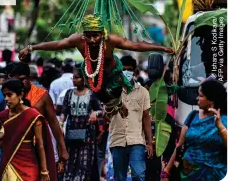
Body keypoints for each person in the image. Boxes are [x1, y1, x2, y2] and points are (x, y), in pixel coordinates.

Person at [19, 14, 173, 117]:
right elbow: (57, 44)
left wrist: (162, 48)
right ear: (84, 34)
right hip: (93, 78)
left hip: (114, 76)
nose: (92, 40)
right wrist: (32, 47)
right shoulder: (78, 40)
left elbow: (136, 46)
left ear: (102, 33)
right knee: (109, 109)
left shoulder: (111, 40)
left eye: (96, 35)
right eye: (89, 36)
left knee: (127, 103)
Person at [0, 79, 56, 181]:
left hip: (28, 164)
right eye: (4, 95)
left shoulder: (33, 115)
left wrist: (44, 171)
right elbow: (8, 138)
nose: (6, 99)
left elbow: (40, 145)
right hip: (8, 163)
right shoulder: (3, 116)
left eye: (10, 95)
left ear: (21, 95)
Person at [161, 80, 227, 181]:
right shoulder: (192, 116)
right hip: (188, 174)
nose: (197, 98)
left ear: (211, 101)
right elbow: (180, 145)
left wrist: (219, 126)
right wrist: (166, 171)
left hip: (213, 175)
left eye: (200, 96)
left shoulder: (224, 120)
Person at [8, 62, 69, 170]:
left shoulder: (42, 96)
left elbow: (53, 122)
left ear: (29, 78)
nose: (19, 84)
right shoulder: (7, 97)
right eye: (15, 81)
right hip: (15, 147)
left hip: (40, 145)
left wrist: (62, 149)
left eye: (22, 79)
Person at [107, 55, 153, 181]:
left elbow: (146, 118)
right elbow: (107, 114)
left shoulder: (143, 92)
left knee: (139, 175)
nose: (126, 73)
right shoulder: (111, 91)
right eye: (123, 70)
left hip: (136, 140)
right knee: (119, 177)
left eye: (129, 70)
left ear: (135, 72)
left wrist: (149, 143)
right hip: (117, 139)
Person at [60, 68, 101, 180]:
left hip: (87, 133)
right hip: (72, 132)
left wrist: (95, 114)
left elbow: (100, 110)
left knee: (84, 162)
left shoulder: (91, 94)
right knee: (70, 160)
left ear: (84, 79)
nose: (74, 80)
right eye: (73, 78)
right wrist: (61, 123)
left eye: (77, 78)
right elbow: (64, 111)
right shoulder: (69, 94)